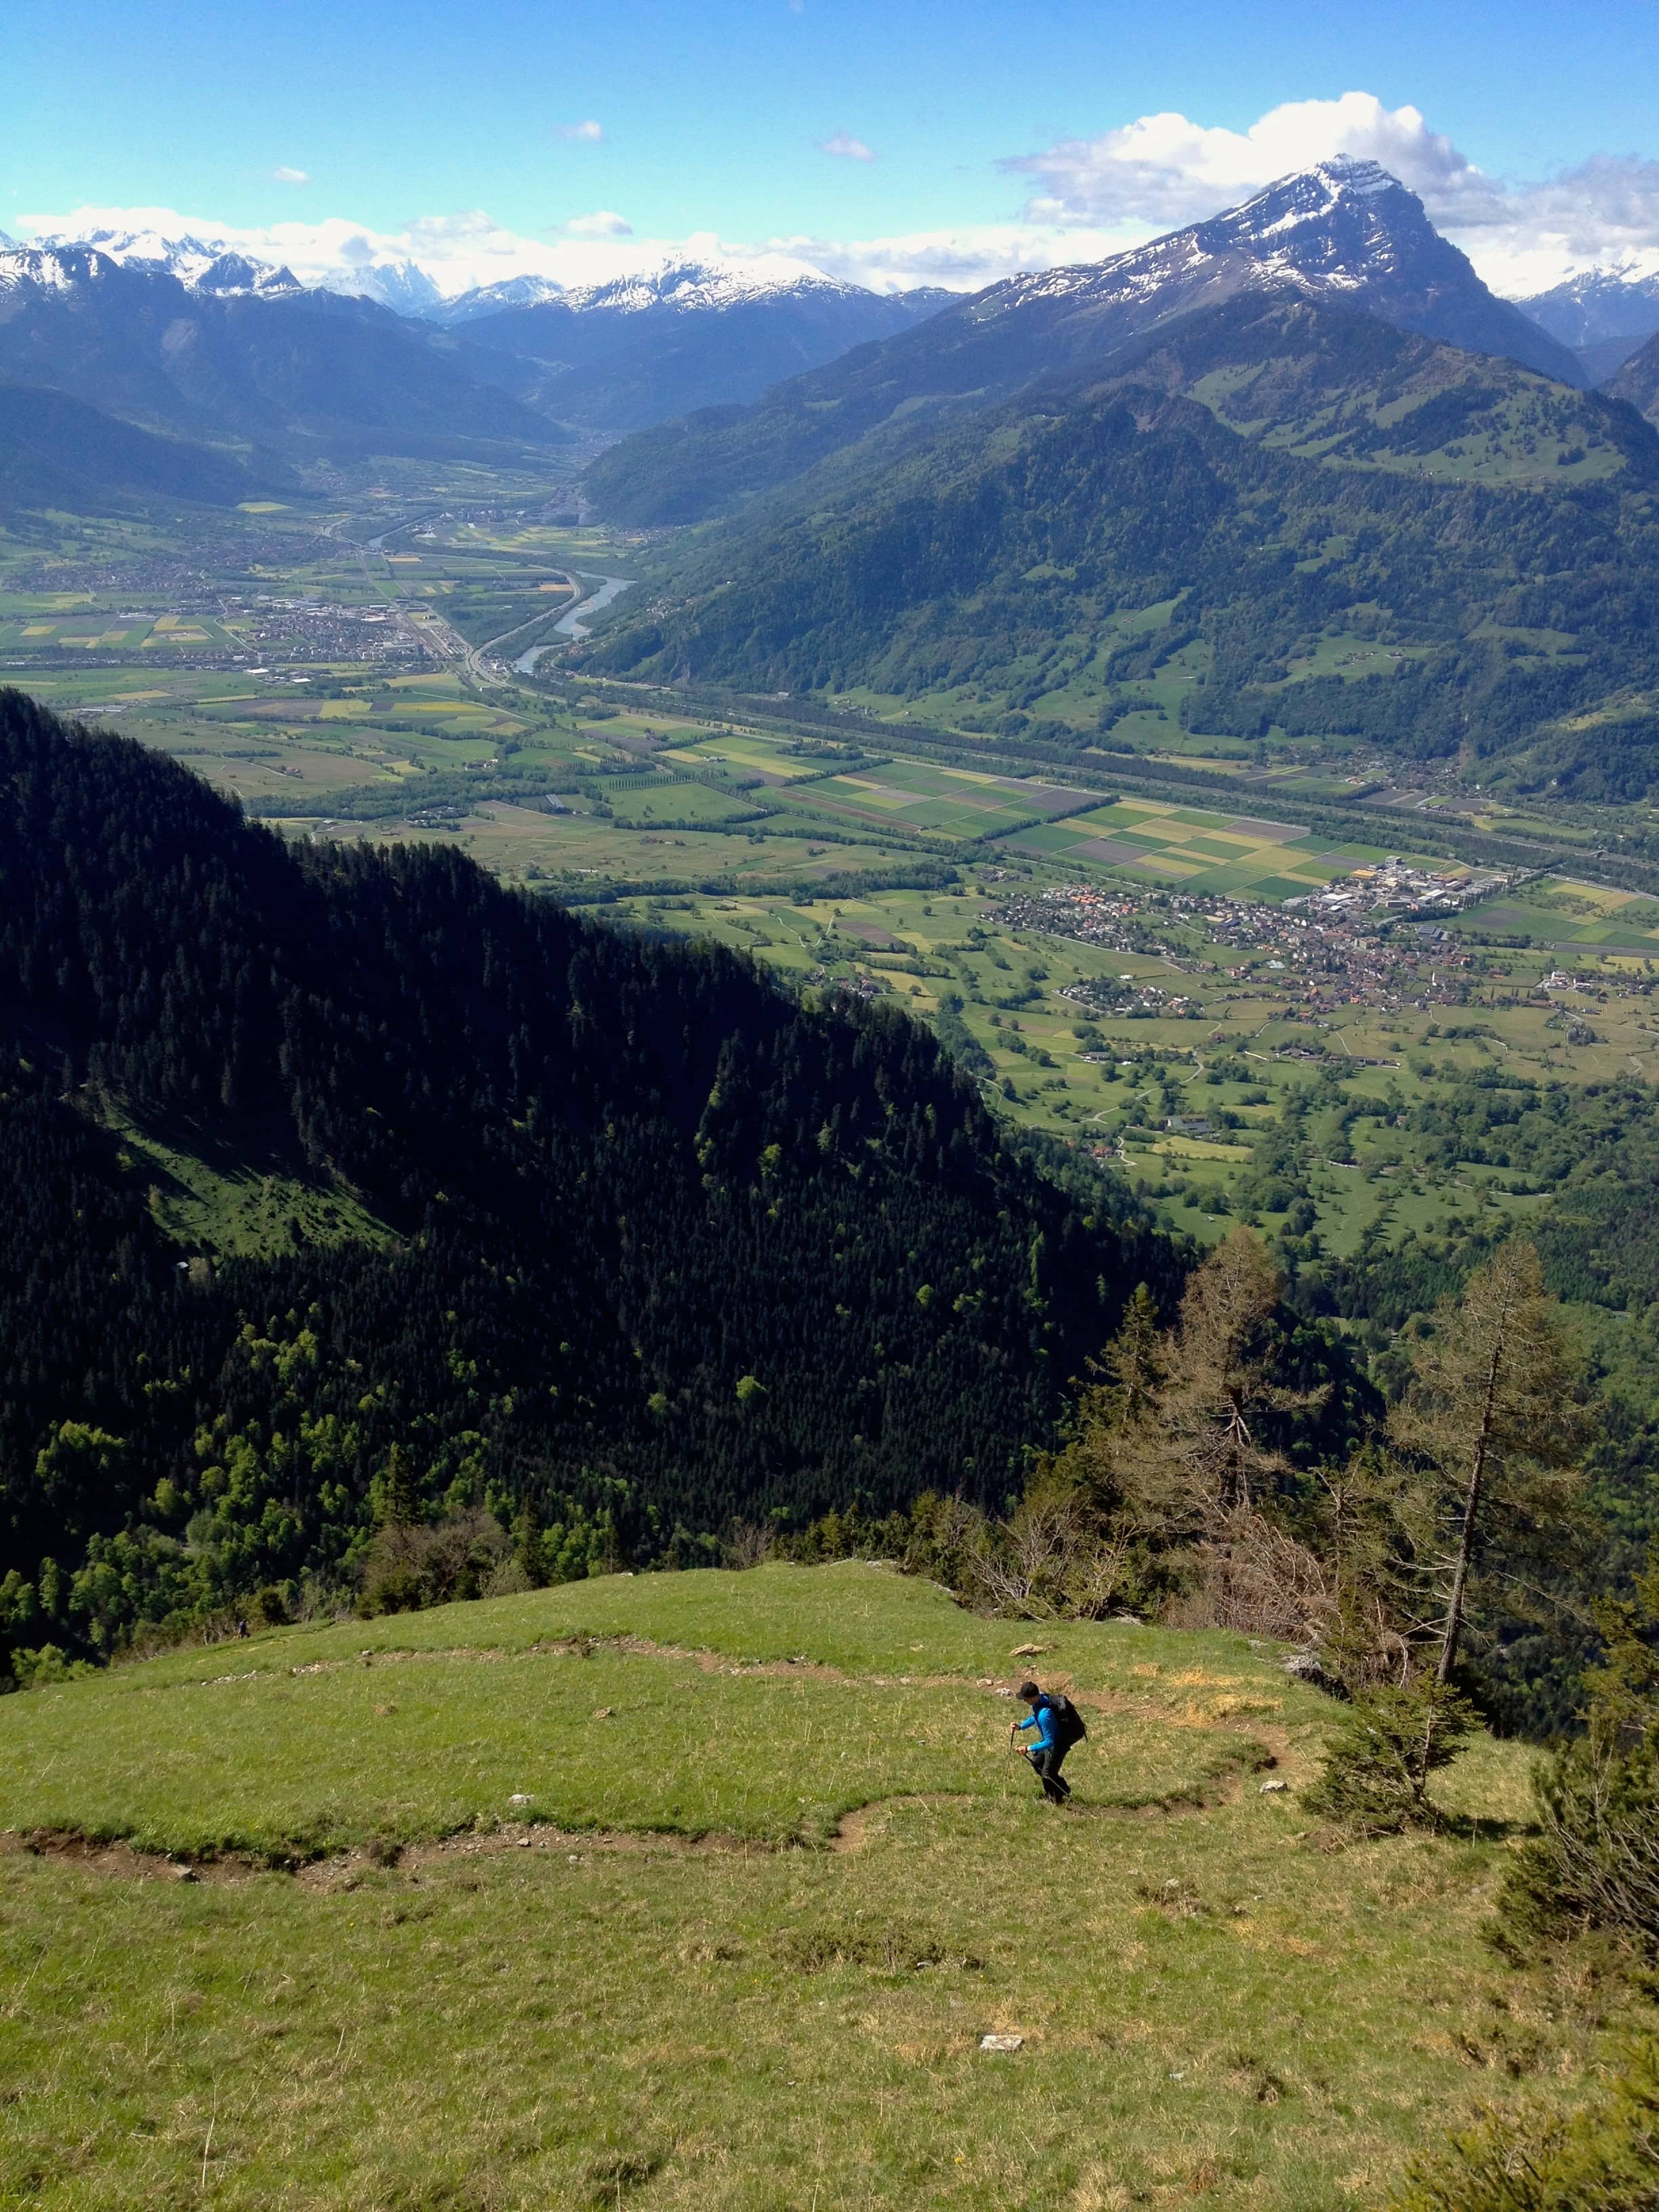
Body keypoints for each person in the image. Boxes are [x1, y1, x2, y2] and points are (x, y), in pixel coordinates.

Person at [1012, 1679, 1074, 1804]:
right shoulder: (1040, 1701)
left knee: (1047, 1772)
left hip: (1058, 1744)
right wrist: (1021, 1726)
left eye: (1025, 1699)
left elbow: (1049, 1742)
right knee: (1037, 1762)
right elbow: (1034, 1717)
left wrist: (1027, 1748)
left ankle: (1054, 1799)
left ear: (1034, 1697)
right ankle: (1063, 1788)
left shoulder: (1045, 1715)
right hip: (1053, 1740)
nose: (1024, 1701)